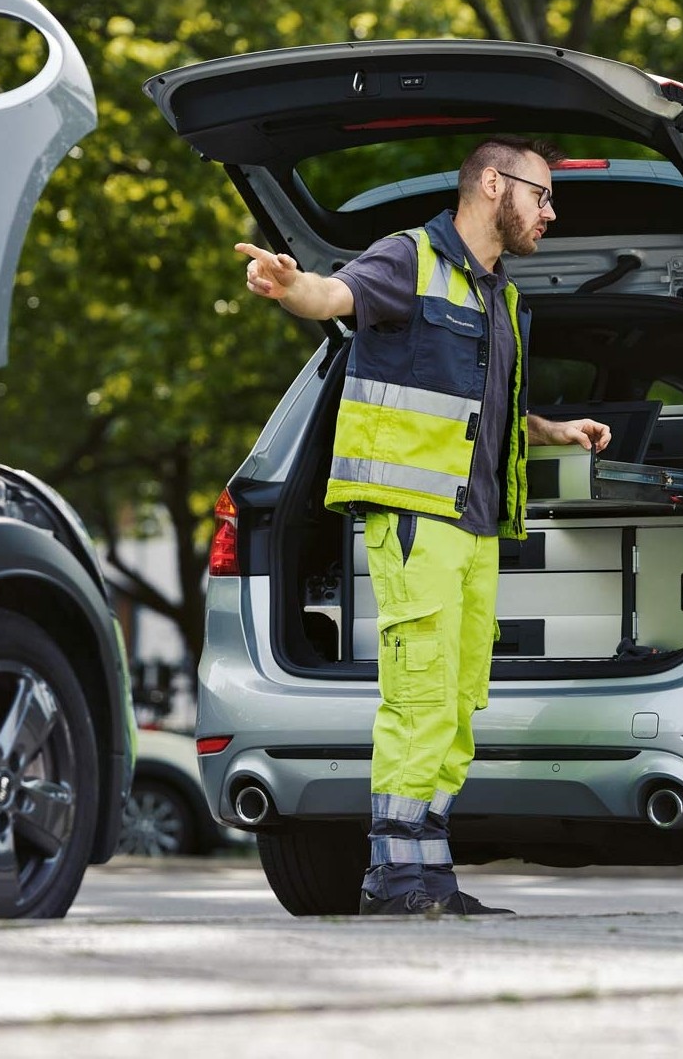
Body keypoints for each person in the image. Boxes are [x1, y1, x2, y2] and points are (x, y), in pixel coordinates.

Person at [237, 136, 610, 916]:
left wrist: (549, 430)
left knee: (461, 695)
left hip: (474, 526)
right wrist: (291, 285)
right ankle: (391, 874)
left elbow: (481, 405)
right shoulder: (410, 259)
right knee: (419, 691)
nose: (550, 211)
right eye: (540, 194)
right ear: (488, 182)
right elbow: (334, 297)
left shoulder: (498, 293)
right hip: (415, 517)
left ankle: (429, 870)